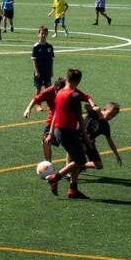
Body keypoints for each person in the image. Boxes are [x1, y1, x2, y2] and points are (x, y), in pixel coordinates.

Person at [44, 68, 95, 199]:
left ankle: (73, 190)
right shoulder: (74, 95)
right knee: (81, 160)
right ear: (78, 82)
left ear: (67, 79)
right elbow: (80, 118)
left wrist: (50, 133)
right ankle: (55, 178)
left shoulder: (60, 92)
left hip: (57, 130)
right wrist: (86, 137)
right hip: (68, 131)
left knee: (74, 158)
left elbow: (55, 113)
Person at [24, 76, 67, 161]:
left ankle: (71, 166)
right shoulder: (49, 91)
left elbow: (85, 97)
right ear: (55, 87)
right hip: (52, 120)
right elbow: (36, 99)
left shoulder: (68, 92)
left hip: (65, 120)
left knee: (69, 144)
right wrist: (28, 108)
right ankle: (48, 163)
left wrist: (93, 105)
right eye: (57, 91)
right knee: (45, 141)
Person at [83, 101, 123, 170]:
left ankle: (78, 166)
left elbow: (110, 141)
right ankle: (69, 170)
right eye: (110, 114)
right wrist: (93, 107)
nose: (110, 117)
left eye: (113, 116)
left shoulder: (105, 126)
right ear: (104, 109)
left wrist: (117, 154)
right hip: (79, 139)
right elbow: (86, 106)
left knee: (99, 166)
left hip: (90, 143)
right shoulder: (94, 113)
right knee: (76, 148)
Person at [31, 26, 54, 92]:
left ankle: (48, 102)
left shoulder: (49, 47)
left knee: (48, 89)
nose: (43, 35)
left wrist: (51, 70)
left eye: (45, 33)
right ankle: (37, 102)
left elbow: (51, 60)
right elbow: (34, 60)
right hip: (39, 71)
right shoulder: (36, 47)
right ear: (38, 34)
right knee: (38, 89)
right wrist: (36, 71)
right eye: (42, 33)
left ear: (47, 34)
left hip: (47, 71)